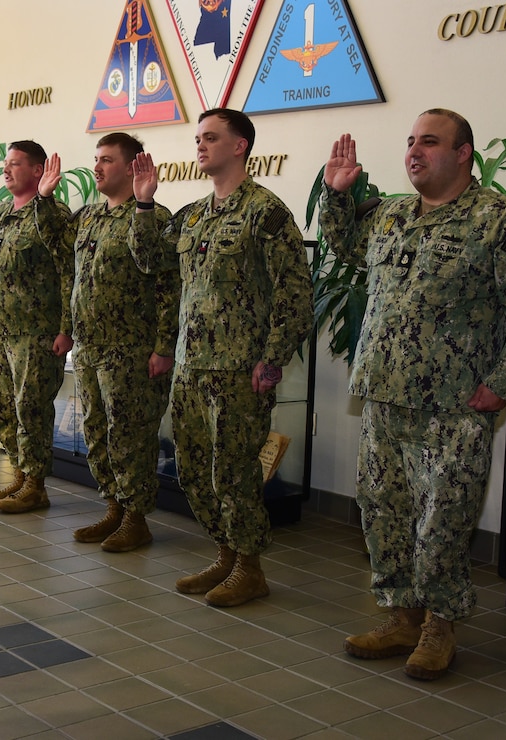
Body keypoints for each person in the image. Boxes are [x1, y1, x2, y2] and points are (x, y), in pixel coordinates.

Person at [319, 109, 506, 680]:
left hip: (452, 405)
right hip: (383, 396)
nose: (415, 151)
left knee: (442, 519)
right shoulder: (394, 215)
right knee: (384, 512)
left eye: (430, 141)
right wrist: (336, 196)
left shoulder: (503, 223)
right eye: (410, 142)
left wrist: (498, 387)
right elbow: (346, 245)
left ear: (464, 153)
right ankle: (402, 615)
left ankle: (439, 626)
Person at [130, 108, 313, 607]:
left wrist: (272, 358)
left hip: (238, 371)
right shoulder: (192, 215)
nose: (200, 146)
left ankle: (250, 566)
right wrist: (145, 206)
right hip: (192, 367)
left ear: (240, 146)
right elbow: (152, 264)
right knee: (193, 470)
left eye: (211, 138)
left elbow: (294, 294)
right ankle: (226, 554)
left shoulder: (266, 213)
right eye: (198, 138)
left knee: (233, 472)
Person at [69, 132, 178, 552]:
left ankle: (136, 518)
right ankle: (114, 507)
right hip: (91, 348)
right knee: (97, 432)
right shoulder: (90, 217)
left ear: (133, 167)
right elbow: (75, 280)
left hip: (132, 350)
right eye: (96, 158)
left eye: (107, 160)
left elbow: (169, 285)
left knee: (130, 435)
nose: (97, 167)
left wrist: (164, 346)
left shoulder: (153, 216)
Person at [0, 142, 75, 513]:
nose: (6, 170)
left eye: (15, 164)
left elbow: (67, 272)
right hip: (0, 330)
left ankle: (36, 485)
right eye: (5, 164)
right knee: (3, 409)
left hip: (36, 333)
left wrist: (65, 329)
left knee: (32, 410)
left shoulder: (53, 214)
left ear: (38, 170)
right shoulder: (1, 212)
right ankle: (20, 477)